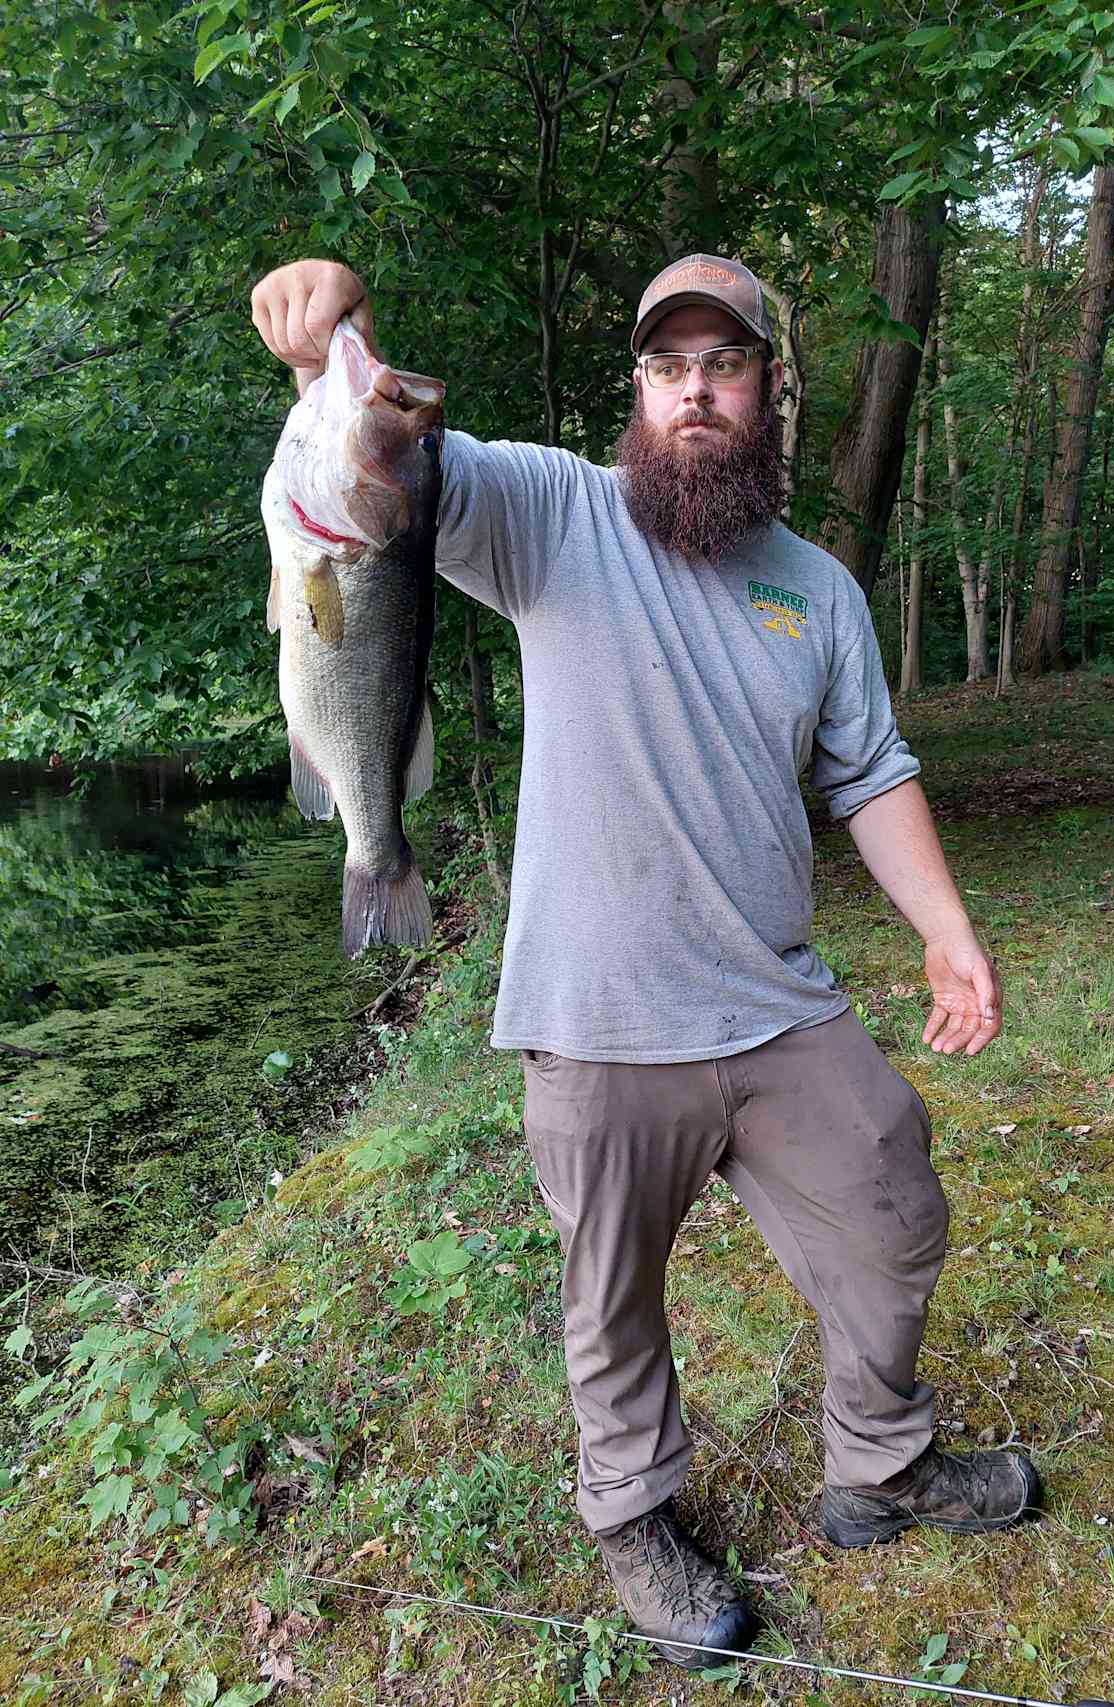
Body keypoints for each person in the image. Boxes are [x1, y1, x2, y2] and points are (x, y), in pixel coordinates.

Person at [251, 253, 1042, 1669]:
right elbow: (391, 466)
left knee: (893, 1204)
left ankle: (883, 1460)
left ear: (769, 393)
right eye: (668, 365)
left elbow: (870, 775)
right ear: (636, 389)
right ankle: (635, 1519)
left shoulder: (818, 593)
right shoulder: (558, 514)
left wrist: (948, 932)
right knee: (609, 1298)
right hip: (600, 1013)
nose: (696, 389)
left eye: (724, 365)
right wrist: (336, 322)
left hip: (775, 1001)